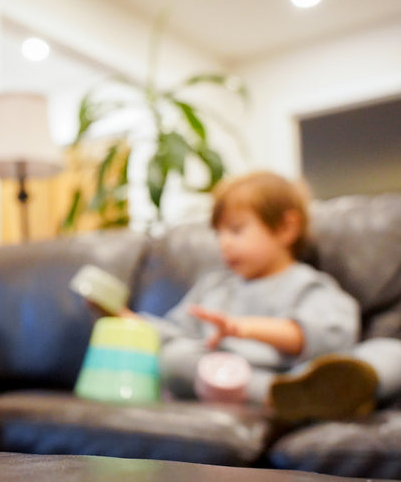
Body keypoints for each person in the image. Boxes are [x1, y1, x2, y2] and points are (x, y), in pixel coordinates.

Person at [92, 171, 383, 422]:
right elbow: (176, 331)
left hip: (302, 373)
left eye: (236, 230)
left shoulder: (306, 284)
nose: (224, 244)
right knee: (175, 357)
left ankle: (317, 392)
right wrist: (126, 319)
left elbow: (332, 334)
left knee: (390, 351)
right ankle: (278, 396)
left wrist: (243, 328)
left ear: (286, 228)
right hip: (223, 374)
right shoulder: (215, 286)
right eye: (219, 234)